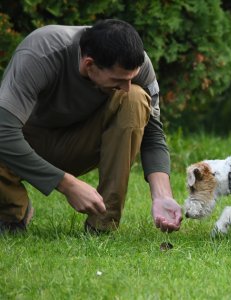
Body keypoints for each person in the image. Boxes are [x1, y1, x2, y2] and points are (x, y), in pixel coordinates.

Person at [0, 19, 182, 233]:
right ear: (89, 64)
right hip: (24, 142)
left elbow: (153, 135)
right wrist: (65, 184)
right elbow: (4, 131)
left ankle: (102, 224)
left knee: (135, 99)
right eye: (118, 80)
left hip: (80, 143)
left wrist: (162, 195)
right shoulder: (41, 52)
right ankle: (10, 215)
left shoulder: (137, 64)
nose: (126, 86)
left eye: (131, 78)